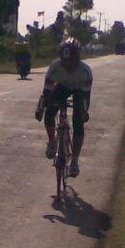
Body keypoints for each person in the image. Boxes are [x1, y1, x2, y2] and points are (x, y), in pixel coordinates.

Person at [34, 37, 92, 177]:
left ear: (78, 58)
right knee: (49, 113)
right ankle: (52, 141)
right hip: (62, 87)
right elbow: (46, 93)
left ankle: (75, 161)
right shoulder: (54, 68)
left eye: (71, 62)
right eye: (64, 62)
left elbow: (85, 99)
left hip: (79, 91)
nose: (68, 66)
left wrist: (83, 112)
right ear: (60, 59)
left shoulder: (85, 72)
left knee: (78, 122)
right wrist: (41, 108)